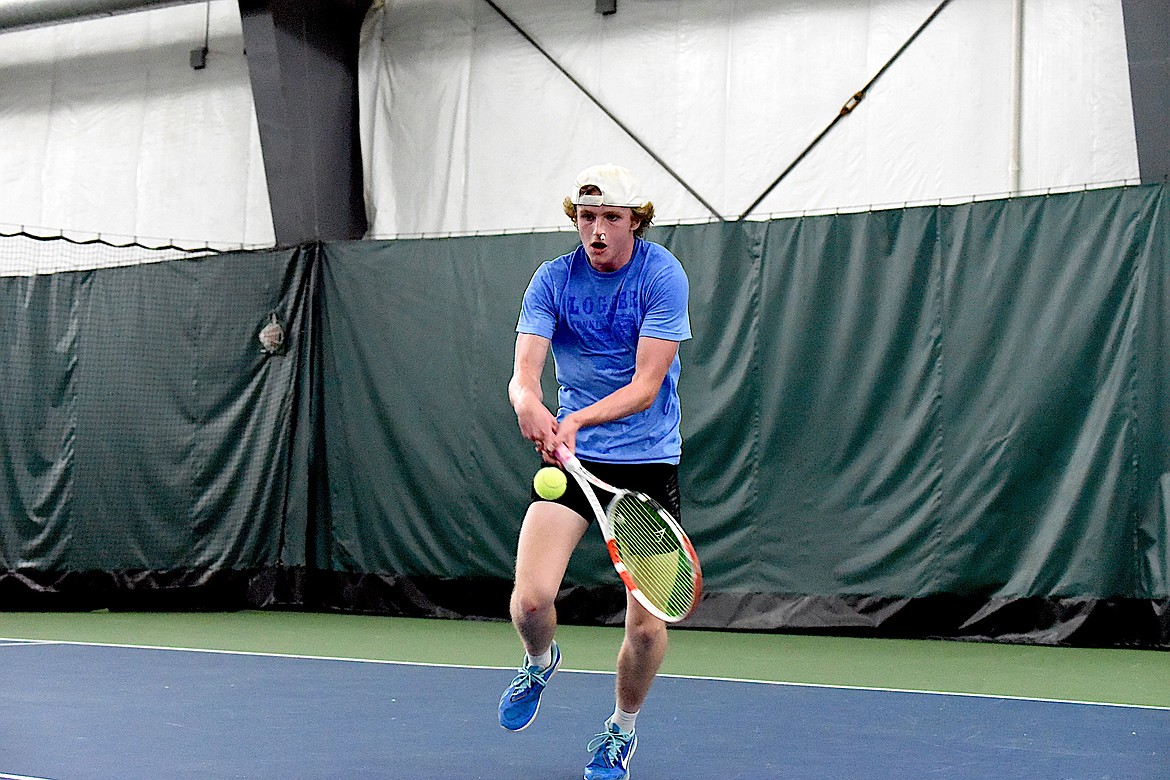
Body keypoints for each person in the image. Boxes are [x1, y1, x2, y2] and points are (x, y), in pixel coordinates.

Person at [498, 163, 691, 780]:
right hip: (574, 467)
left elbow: (645, 385)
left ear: (636, 220)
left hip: (645, 470)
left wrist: (575, 419)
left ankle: (621, 728)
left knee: (644, 626)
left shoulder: (661, 275)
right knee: (529, 602)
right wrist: (528, 402)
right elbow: (525, 372)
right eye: (587, 218)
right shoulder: (552, 280)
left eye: (612, 217)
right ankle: (539, 659)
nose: (598, 230)